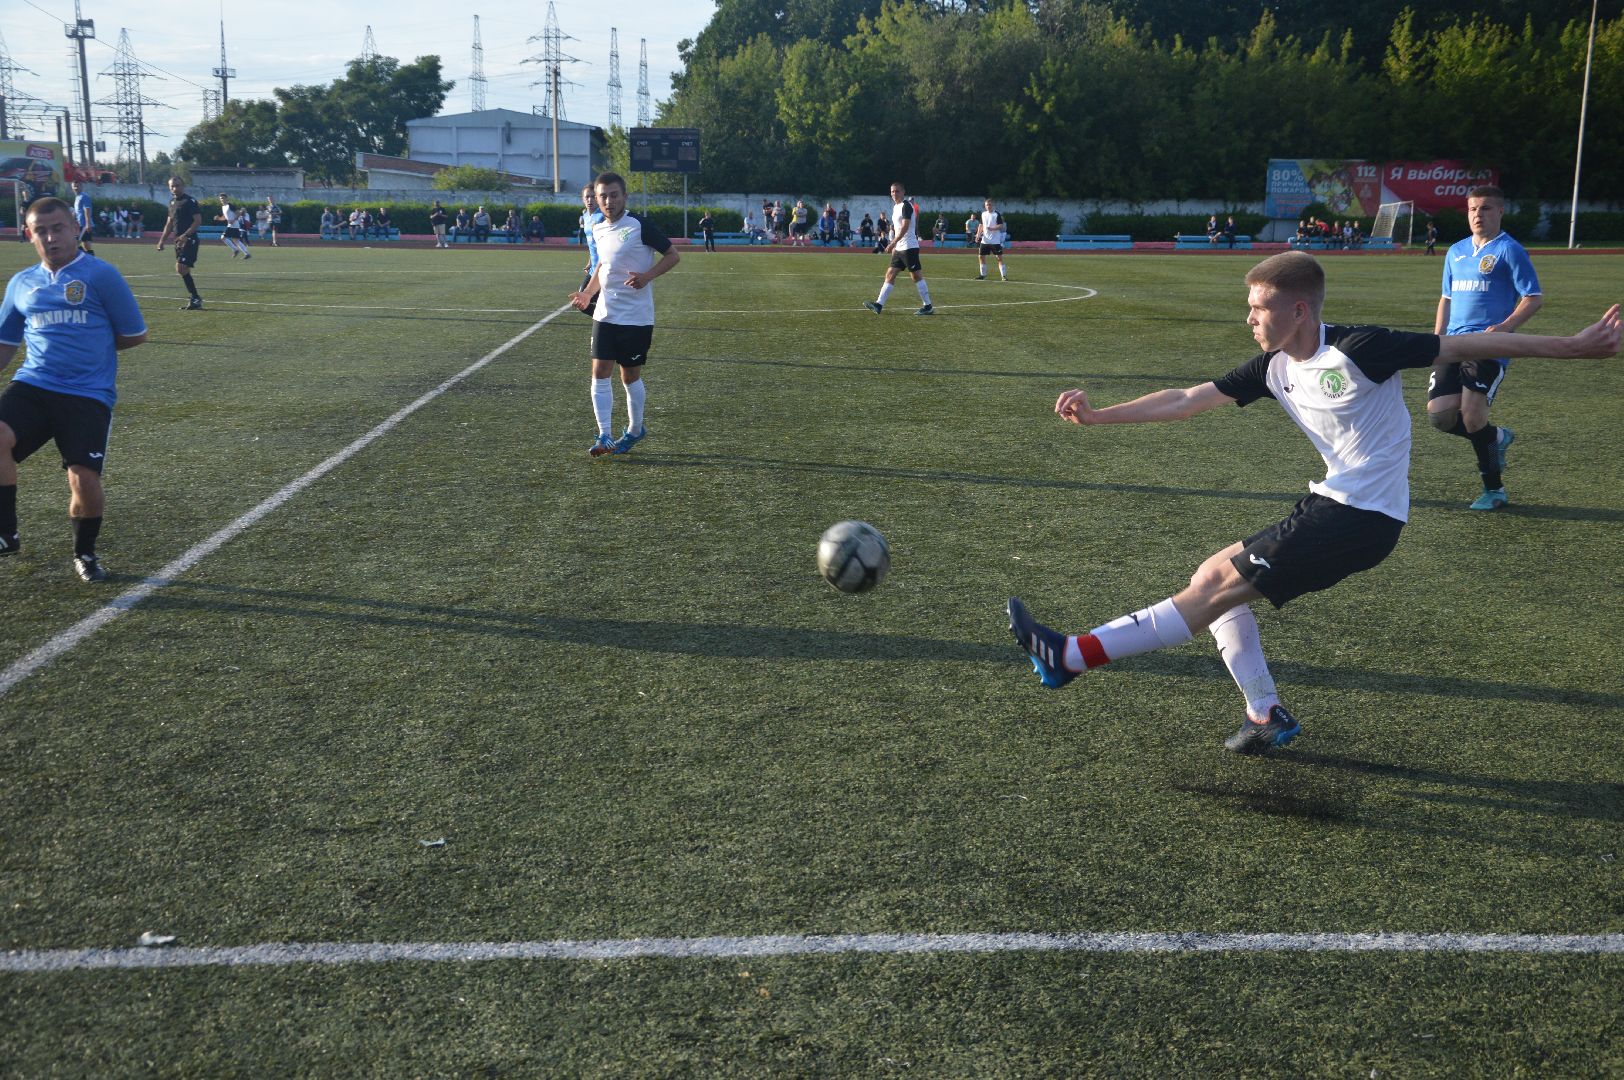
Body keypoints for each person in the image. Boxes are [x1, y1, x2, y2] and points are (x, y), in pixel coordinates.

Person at [1006, 251, 1619, 754]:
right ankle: (1264, 714)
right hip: (1333, 505)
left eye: (1259, 307)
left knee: (1212, 590)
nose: (1249, 318)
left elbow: (1468, 344)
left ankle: (1071, 656)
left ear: (1298, 310)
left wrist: (1575, 346)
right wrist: (1099, 416)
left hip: (1361, 519)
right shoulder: (1273, 367)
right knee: (1210, 579)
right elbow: (1187, 399)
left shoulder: (1362, 347)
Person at [0, 196, 149, 581]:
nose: (51, 238)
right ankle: (6, 533)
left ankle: (85, 554)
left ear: (75, 230)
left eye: (58, 228)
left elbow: (134, 333)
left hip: (87, 393)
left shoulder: (102, 275)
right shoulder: (21, 283)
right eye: (41, 231)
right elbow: (5, 344)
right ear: (29, 235)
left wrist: (93, 349)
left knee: (82, 476)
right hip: (33, 385)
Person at [1428, 185, 1543, 512]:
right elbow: (1446, 299)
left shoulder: (1510, 250)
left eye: (1486, 208)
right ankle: (1496, 438)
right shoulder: (1455, 251)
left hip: (1489, 345)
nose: (1478, 214)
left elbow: (1533, 297)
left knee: (1473, 417)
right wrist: (1436, 340)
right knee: (1440, 417)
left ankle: (1494, 490)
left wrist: (1505, 327)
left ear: (1500, 212)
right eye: (1473, 208)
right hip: (1453, 343)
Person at [569, 172, 680, 457]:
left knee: (629, 376)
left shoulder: (639, 225)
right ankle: (604, 435)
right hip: (605, 314)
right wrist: (588, 293)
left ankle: (635, 429)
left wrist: (647, 276)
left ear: (624, 196)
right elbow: (602, 266)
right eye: (603, 196)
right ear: (596, 199)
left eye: (614, 195)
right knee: (599, 372)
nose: (608, 201)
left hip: (636, 317)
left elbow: (673, 255)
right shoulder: (597, 228)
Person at [864, 183, 934, 316]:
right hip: (900, 247)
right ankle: (878, 305)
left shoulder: (906, 206)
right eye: (892, 191)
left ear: (903, 192)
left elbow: (905, 227)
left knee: (916, 276)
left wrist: (892, 243)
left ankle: (928, 306)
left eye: (897, 191)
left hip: (909, 247)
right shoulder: (896, 207)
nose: (894, 194)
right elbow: (897, 227)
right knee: (890, 274)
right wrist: (896, 246)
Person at [156, 177, 205, 310]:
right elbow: (169, 223)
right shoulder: (172, 202)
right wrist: (162, 240)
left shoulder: (190, 201)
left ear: (183, 186)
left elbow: (197, 221)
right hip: (178, 241)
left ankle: (195, 297)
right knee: (184, 270)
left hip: (190, 239)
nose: (175, 188)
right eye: (172, 186)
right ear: (169, 188)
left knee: (180, 267)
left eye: (177, 185)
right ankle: (195, 299)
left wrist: (186, 235)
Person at [577, 184, 604, 317]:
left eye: (593, 197)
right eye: (587, 197)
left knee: (584, 300)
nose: (590, 200)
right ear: (583, 199)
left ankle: (607, 321)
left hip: (603, 269)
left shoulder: (602, 217)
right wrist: (590, 262)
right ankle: (606, 320)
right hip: (593, 268)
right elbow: (592, 244)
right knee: (581, 302)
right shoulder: (585, 216)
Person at [976, 197, 1008, 281]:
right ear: (985, 206)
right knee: (981, 256)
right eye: (987, 205)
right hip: (985, 240)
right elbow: (981, 225)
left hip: (995, 241)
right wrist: (978, 235)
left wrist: (992, 228)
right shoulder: (983, 214)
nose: (988, 206)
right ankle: (983, 275)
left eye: (990, 205)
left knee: (999, 258)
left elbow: (1000, 225)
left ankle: (1003, 276)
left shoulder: (996, 214)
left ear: (992, 205)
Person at [216, 194, 251, 259]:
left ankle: (235, 250)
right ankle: (247, 254)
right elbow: (225, 217)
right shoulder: (223, 207)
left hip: (233, 225)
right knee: (236, 240)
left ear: (227, 198)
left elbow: (238, 213)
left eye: (223, 198)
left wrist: (233, 220)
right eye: (221, 198)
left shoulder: (230, 205)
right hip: (232, 225)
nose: (222, 199)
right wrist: (219, 218)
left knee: (223, 237)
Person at [70, 182, 95, 256]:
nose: (76, 188)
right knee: (86, 245)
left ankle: (89, 258)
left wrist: (88, 224)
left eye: (77, 186)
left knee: (75, 243)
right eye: (74, 186)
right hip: (79, 225)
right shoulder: (77, 197)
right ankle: (89, 258)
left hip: (84, 225)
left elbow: (87, 210)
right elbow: (76, 211)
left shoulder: (84, 196)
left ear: (82, 187)